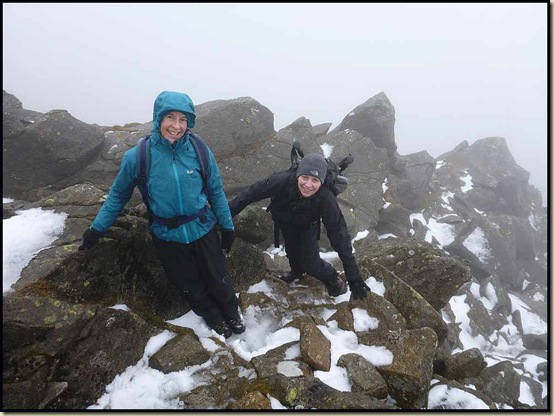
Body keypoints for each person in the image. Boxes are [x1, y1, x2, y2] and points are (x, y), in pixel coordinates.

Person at [78, 90, 244, 339]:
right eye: (170, 118)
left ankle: (232, 313)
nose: (176, 126)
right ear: (158, 119)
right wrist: (96, 229)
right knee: (190, 287)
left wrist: (228, 227)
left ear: (190, 123)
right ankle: (214, 318)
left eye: (183, 120)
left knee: (219, 278)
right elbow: (117, 197)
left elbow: (216, 191)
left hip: (202, 228)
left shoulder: (199, 149)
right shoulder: (138, 156)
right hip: (167, 236)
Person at [228, 153, 370, 300]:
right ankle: (296, 271)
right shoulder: (282, 180)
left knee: (311, 264)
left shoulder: (326, 198)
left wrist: (354, 277)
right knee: (292, 252)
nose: (308, 185)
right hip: (284, 221)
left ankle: (332, 278)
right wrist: (222, 218)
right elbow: (249, 195)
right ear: (297, 175)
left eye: (315, 180)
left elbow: (339, 234)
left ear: (321, 182)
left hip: (307, 226)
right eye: (305, 178)